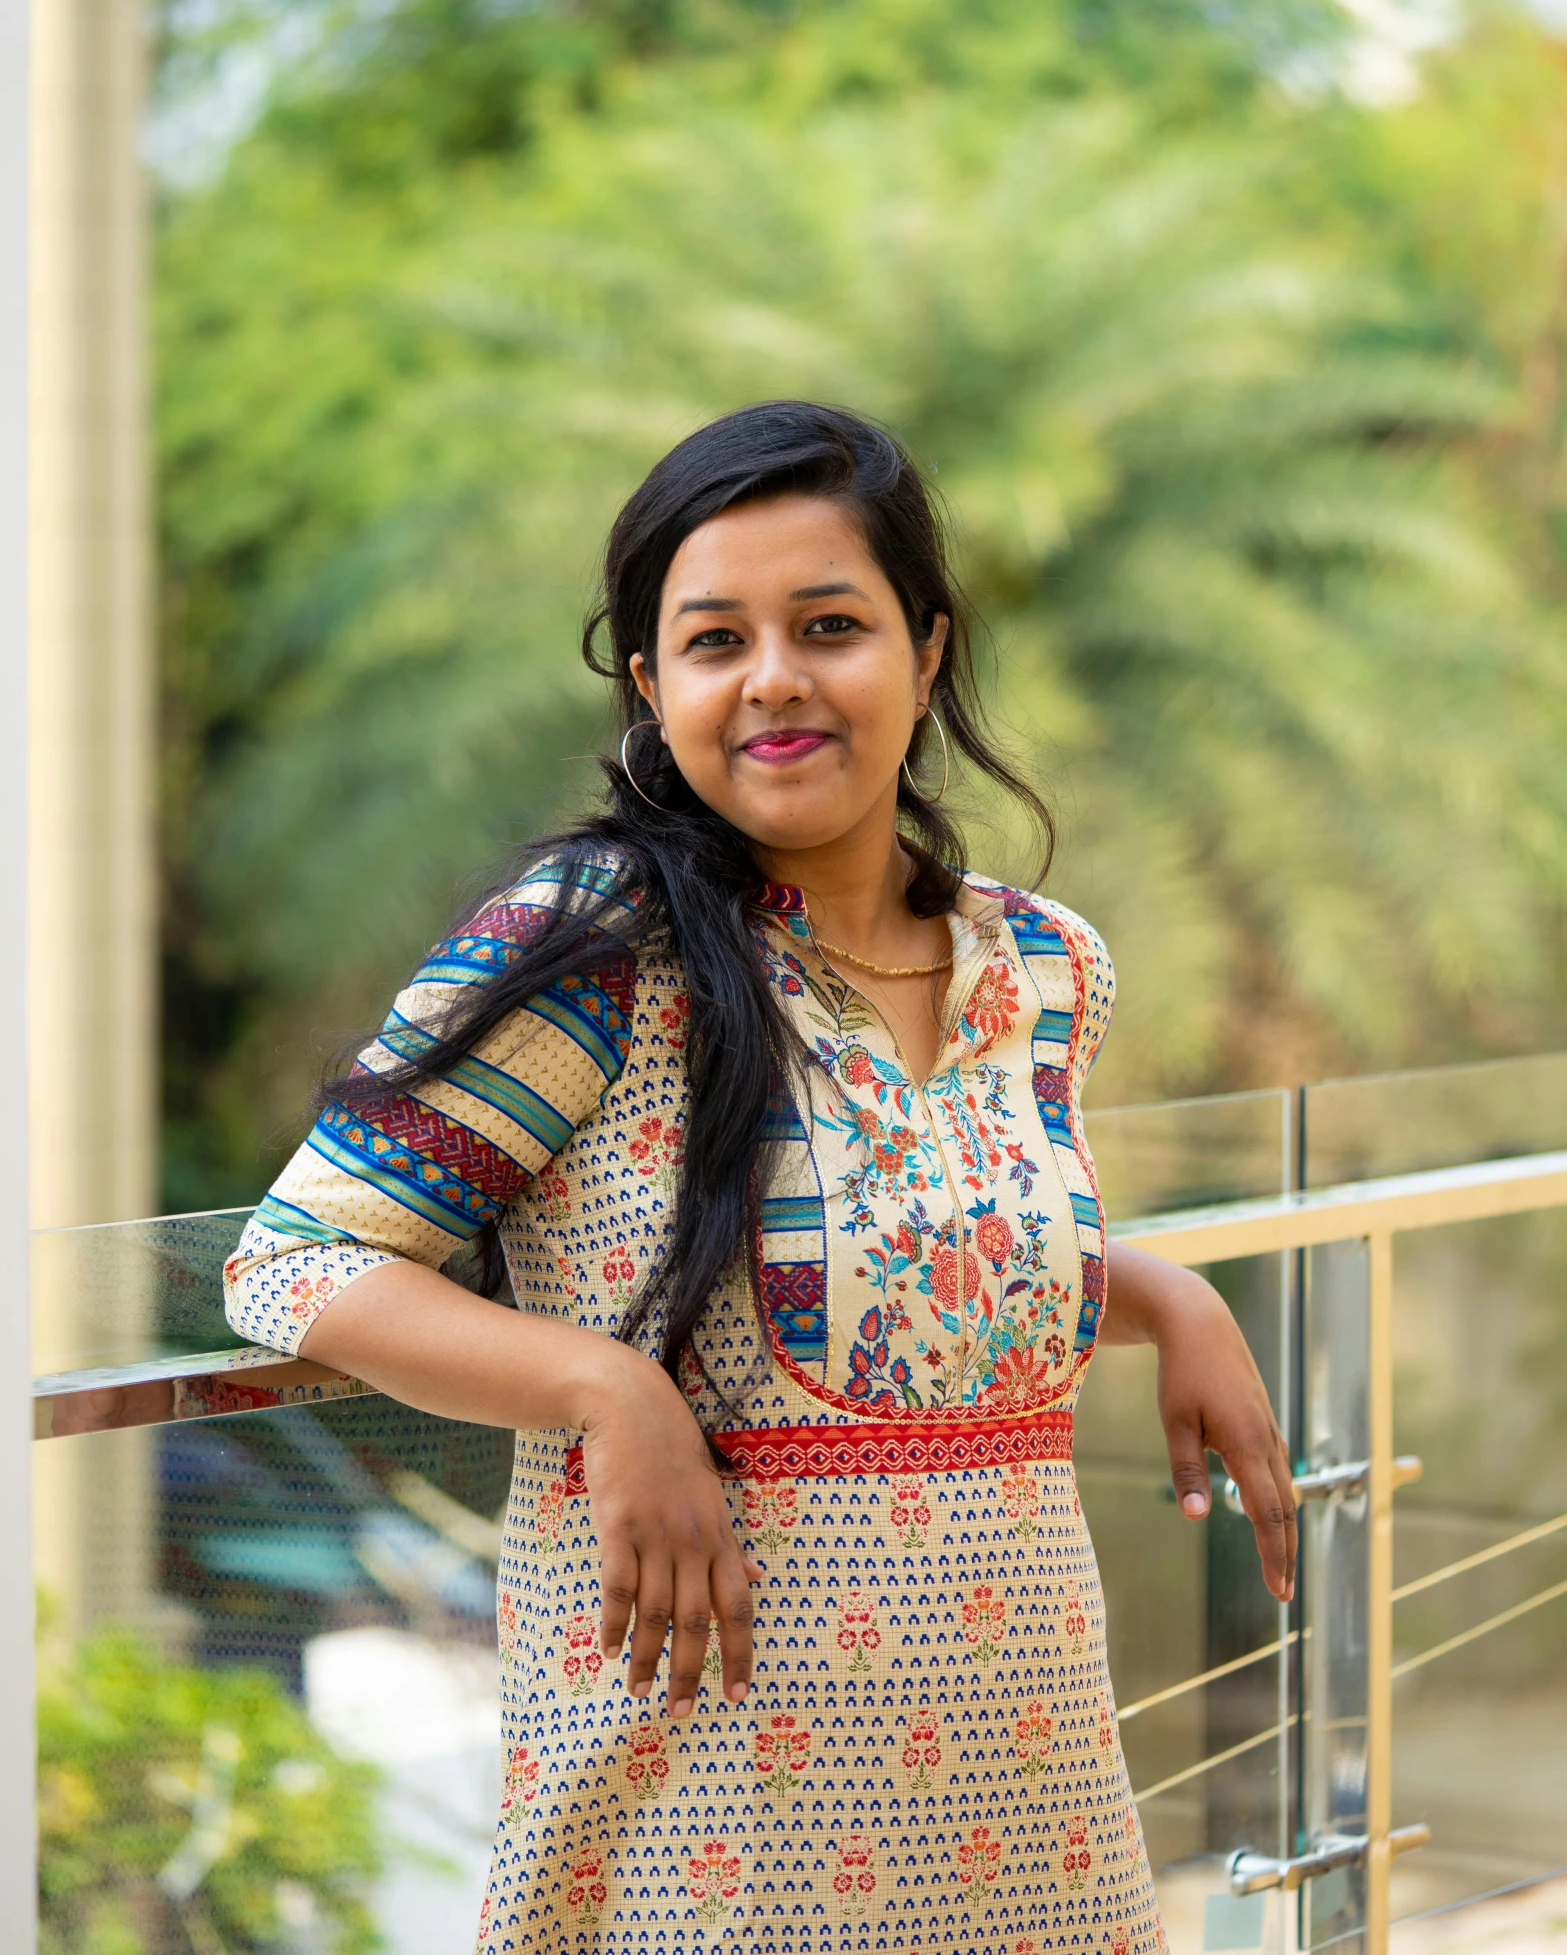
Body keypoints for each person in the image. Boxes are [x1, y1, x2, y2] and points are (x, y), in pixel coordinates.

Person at [224, 402, 1296, 1954]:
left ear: (926, 651)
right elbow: (297, 1259)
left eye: (829, 624)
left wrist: (1165, 1294)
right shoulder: (590, 943)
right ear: (654, 688)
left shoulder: (1044, 968)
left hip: (1033, 1796)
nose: (775, 676)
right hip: (709, 1827)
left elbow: (928, 1239)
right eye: (716, 638)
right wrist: (607, 1388)